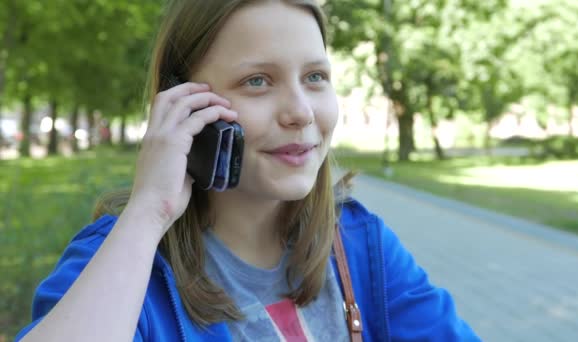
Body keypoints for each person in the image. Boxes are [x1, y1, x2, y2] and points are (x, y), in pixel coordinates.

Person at [16, 0, 480, 341]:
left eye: (315, 77)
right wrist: (147, 214)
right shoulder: (123, 260)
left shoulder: (360, 244)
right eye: (258, 81)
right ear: (184, 102)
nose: (300, 112)